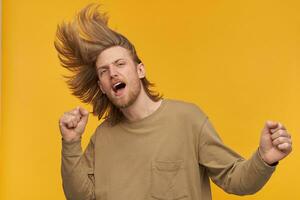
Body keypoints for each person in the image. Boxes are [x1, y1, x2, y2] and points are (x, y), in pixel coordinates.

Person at [55, 4, 293, 200]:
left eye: (120, 64)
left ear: (140, 70)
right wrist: (71, 142)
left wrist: (265, 158)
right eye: (104, 72)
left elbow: (235, 179)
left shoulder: (187, 120)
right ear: (102, 87)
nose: (113, 74)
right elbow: (80, 197)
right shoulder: (102, 137)